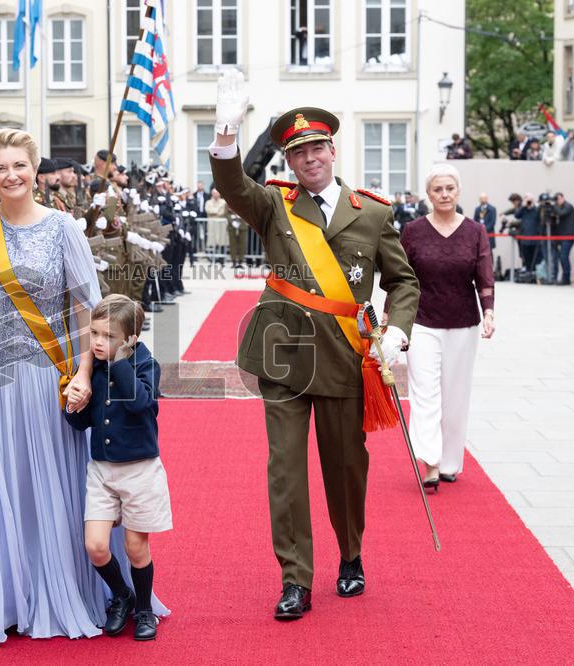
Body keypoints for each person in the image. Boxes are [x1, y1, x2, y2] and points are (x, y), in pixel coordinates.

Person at [0, 129, 164, 644]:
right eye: (0, 168)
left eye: (18, 166)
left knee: (42, 491)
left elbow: (86, 309)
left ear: (34, 170)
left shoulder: (63, 227)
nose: (10, 176)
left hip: (47, 376)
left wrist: (84, 374)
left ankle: (59, 589)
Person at [209, 70, 419, 619]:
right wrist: (226, 135)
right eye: (298, 152)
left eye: (318, 148)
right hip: (283, 354)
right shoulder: (274, 205)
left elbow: (404, 282)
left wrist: (396, 331)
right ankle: (295, 577)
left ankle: (350, 555)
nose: (310, 159)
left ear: (332, 148)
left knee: (347, 465)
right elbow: (233, 187)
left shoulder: (372, 211)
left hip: (346, 355)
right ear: (289, 161)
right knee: (285, 469)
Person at [64, 294, 171, 641]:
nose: (97, 342)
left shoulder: (145, 364)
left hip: (139, 469)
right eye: (94, 333)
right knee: (96, 546)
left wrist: (120, 361)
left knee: (136, 548)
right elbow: (81, 426)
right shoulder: (91, 367)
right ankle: (121, 596)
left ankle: (143, 609)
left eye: (108, 336)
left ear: (131, 339)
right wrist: (74, 405)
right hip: (102, 470)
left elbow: (140, 402)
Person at [399, 164, 495, 489]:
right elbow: (402, 279)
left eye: (449, 189)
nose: (444, 194)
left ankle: (451, 462)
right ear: (428, 195)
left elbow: (484, 276)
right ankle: (430, 462)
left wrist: (490, 312)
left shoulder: (475, 231)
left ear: (458, 192)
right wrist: (391, 318)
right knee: (425, 393)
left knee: (455, 396)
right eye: (438, 189)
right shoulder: (412, 231)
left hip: (463, 323)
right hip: (421, 321)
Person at [551, 193, 574, 285]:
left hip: (568, 236)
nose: (557, 201)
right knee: (562, 257)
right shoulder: (559, 208)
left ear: (562, 198)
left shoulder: (568, 206)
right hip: (561, 236)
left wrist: (553, 206)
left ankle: (566, 278)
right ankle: (564, 278)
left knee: (563, 256)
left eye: (558, 199)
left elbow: (561, 214)